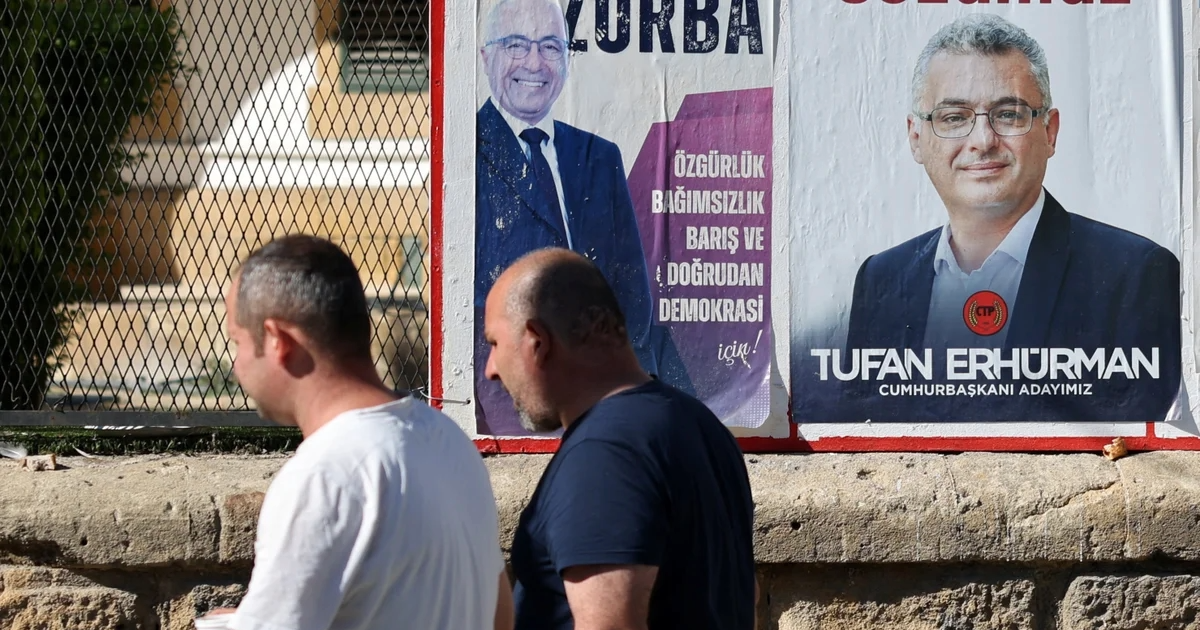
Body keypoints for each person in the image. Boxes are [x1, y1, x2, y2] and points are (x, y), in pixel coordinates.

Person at [844, 14, 1181, 422]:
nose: (983, 141)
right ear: (917, 138)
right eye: (954, 117)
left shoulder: (1135, 274)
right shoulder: (880, 278)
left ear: (1050, 132)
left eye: (1008, 114)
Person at [209, 235, 513, 630]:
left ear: (277, 340)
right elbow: (500, 614)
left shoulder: (322, 478)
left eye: (237, 341)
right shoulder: (449, 441)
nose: (236, 366)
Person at [482, 247, 757, 630]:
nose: (491, 370)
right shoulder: (698, 424)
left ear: (536, 342)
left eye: (494, 344)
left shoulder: (604, 457)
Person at [474, 0, 660, 436]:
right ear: (486, 57)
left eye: (551, 47)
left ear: (567, 60)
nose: (535, 64)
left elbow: (631, 292)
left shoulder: (599, 156)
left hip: (603, 404)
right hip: (515, 412)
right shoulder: (468, 155)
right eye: (517, 45)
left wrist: (633, 398)